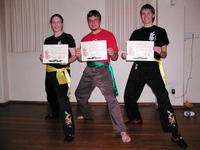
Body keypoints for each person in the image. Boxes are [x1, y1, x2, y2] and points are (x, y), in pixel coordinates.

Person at [121, 4, 188, 148]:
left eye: (148, 13)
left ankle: (175, 134)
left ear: (153, 15)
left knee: (163, 99)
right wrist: (126, 55)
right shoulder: (136, 33)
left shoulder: (160, 31)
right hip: (138, 67)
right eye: (143, 14)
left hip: (153, 67)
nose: (145, 16)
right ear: (141, 16)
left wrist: (160, 51)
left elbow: (164, 53)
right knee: (128, 96)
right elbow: (131, 53)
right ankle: (136, 119)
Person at [75, 10, 131, 143]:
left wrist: (112, 53)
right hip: (89, 69)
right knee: (79, 94)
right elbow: (82, 59)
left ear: (100, 21)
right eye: (90, 20)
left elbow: (116, 57)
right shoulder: (85, 39)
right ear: (88, 22)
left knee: (111, 99)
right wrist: (79, 56)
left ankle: (122, 131)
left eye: (95, 20)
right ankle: (87, 114)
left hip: (103, 70)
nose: (93, 23)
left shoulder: (108, 35)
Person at [40, 14, 76, 143]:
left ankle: (69, 131)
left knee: (64, 102)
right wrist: (42, 57)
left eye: (58, 22)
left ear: (62, 23)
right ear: (50, 24)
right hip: (49, 73)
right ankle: (55, 114)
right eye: (53, 22)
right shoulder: (47, 40)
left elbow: (74, 56)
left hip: (62, 74)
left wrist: (66, 60)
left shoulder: (68, 37)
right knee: (50, 96)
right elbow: (47, 57)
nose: (56, 24)